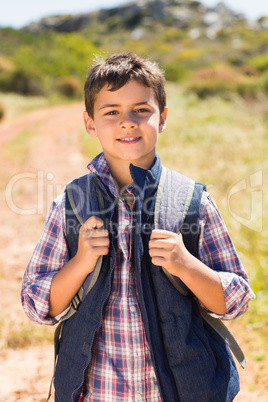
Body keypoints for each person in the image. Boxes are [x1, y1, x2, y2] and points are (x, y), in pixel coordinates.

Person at [21, 52, 255, 402]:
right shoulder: (70, 204)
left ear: (162, 118)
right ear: (90, 123)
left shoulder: (192, 202)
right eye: (111, 112)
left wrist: (186, 265)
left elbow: (234, 302)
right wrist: (81, 262)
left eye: (141, 110)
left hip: (181, 390)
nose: (127, 122)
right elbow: (37, 305)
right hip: (97, 391)